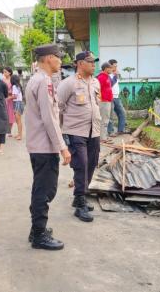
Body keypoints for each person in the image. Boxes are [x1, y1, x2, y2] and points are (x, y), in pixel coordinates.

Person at [25, 44, 71, 250]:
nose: (60, 61)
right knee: (44, 191)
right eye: (57, 57)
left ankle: (36, 228)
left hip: (40, 145)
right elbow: (50, 119)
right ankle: (39, 235)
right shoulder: (43, 82)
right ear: (47, 59)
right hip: (44, 146)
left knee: (43, 189)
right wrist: (62, 147)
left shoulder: (39, 80)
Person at [58, 51, 101, 222]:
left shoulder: (96, 82)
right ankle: (80, 202)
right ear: (80, 63)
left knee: (91, 164)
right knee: (81, 165)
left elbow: (96, 104)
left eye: (94, 62)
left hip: (94, 131)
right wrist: (62, 132)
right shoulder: (68, 83)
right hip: (76, 132)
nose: (94, 65)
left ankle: (79, 197)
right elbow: (58, 107)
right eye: (90, 62)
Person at [107, 59, 126, 136]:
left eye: (116, 65)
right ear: (110, 65)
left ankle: (120, 130)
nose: (116, 67)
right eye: (114, 65)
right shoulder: (107, 74)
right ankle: (110, 131)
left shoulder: (115, 74)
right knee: (110, 115)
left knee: (122, 113)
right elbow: (110, 84)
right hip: (110, 97)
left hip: (117, 97)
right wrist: (115, 76)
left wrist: (117, 75)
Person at [96, 61, 113, 142]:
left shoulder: (106, 76)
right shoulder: (101, 77)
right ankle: (102, 138)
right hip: (103, 102)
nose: (112, 70)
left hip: (107, 101)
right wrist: (100, 99)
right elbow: (97, 89)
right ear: (106, 68)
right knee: (104, 120)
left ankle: (103, 136)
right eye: (110, 68)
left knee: (105, 119)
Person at [2, 67, 16, 136]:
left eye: (5, 72)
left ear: (9, 72)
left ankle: (9, 131)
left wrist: (10, 93)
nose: (4, 73)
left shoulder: (13, 80)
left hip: (11, 100)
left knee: (10, 115)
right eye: (3, 72)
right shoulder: (2, 80)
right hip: (4, 99)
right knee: (4, 115)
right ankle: (5, 130)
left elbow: (15, 90)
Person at [11, 74, 24, 140]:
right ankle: (19, 134)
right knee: (18, 120)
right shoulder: (18, 86)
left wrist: (8, 98)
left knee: (18, 120)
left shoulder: (14, 86)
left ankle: (20, 135)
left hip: (17, 103)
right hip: (20, 103)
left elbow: (15, 96)